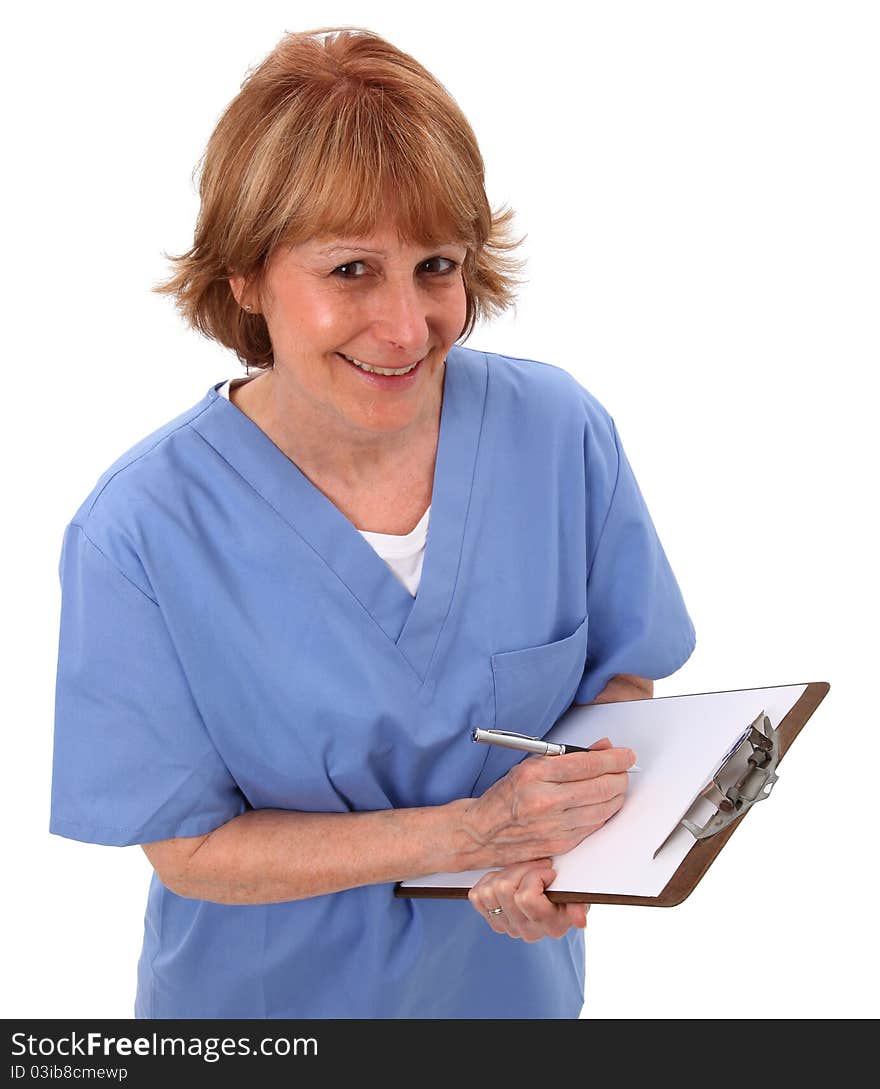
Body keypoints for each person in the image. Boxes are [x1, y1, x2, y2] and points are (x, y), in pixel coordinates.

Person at [49, 26, 696, 1019]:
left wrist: (565, 846)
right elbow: (189, 848)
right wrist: (471, 835)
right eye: (350, 270)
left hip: (508, 1005)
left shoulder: (553, 433)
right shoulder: (142, 528)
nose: (406, 328)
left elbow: (618, 674)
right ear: (246, 279)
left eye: (436, 265)